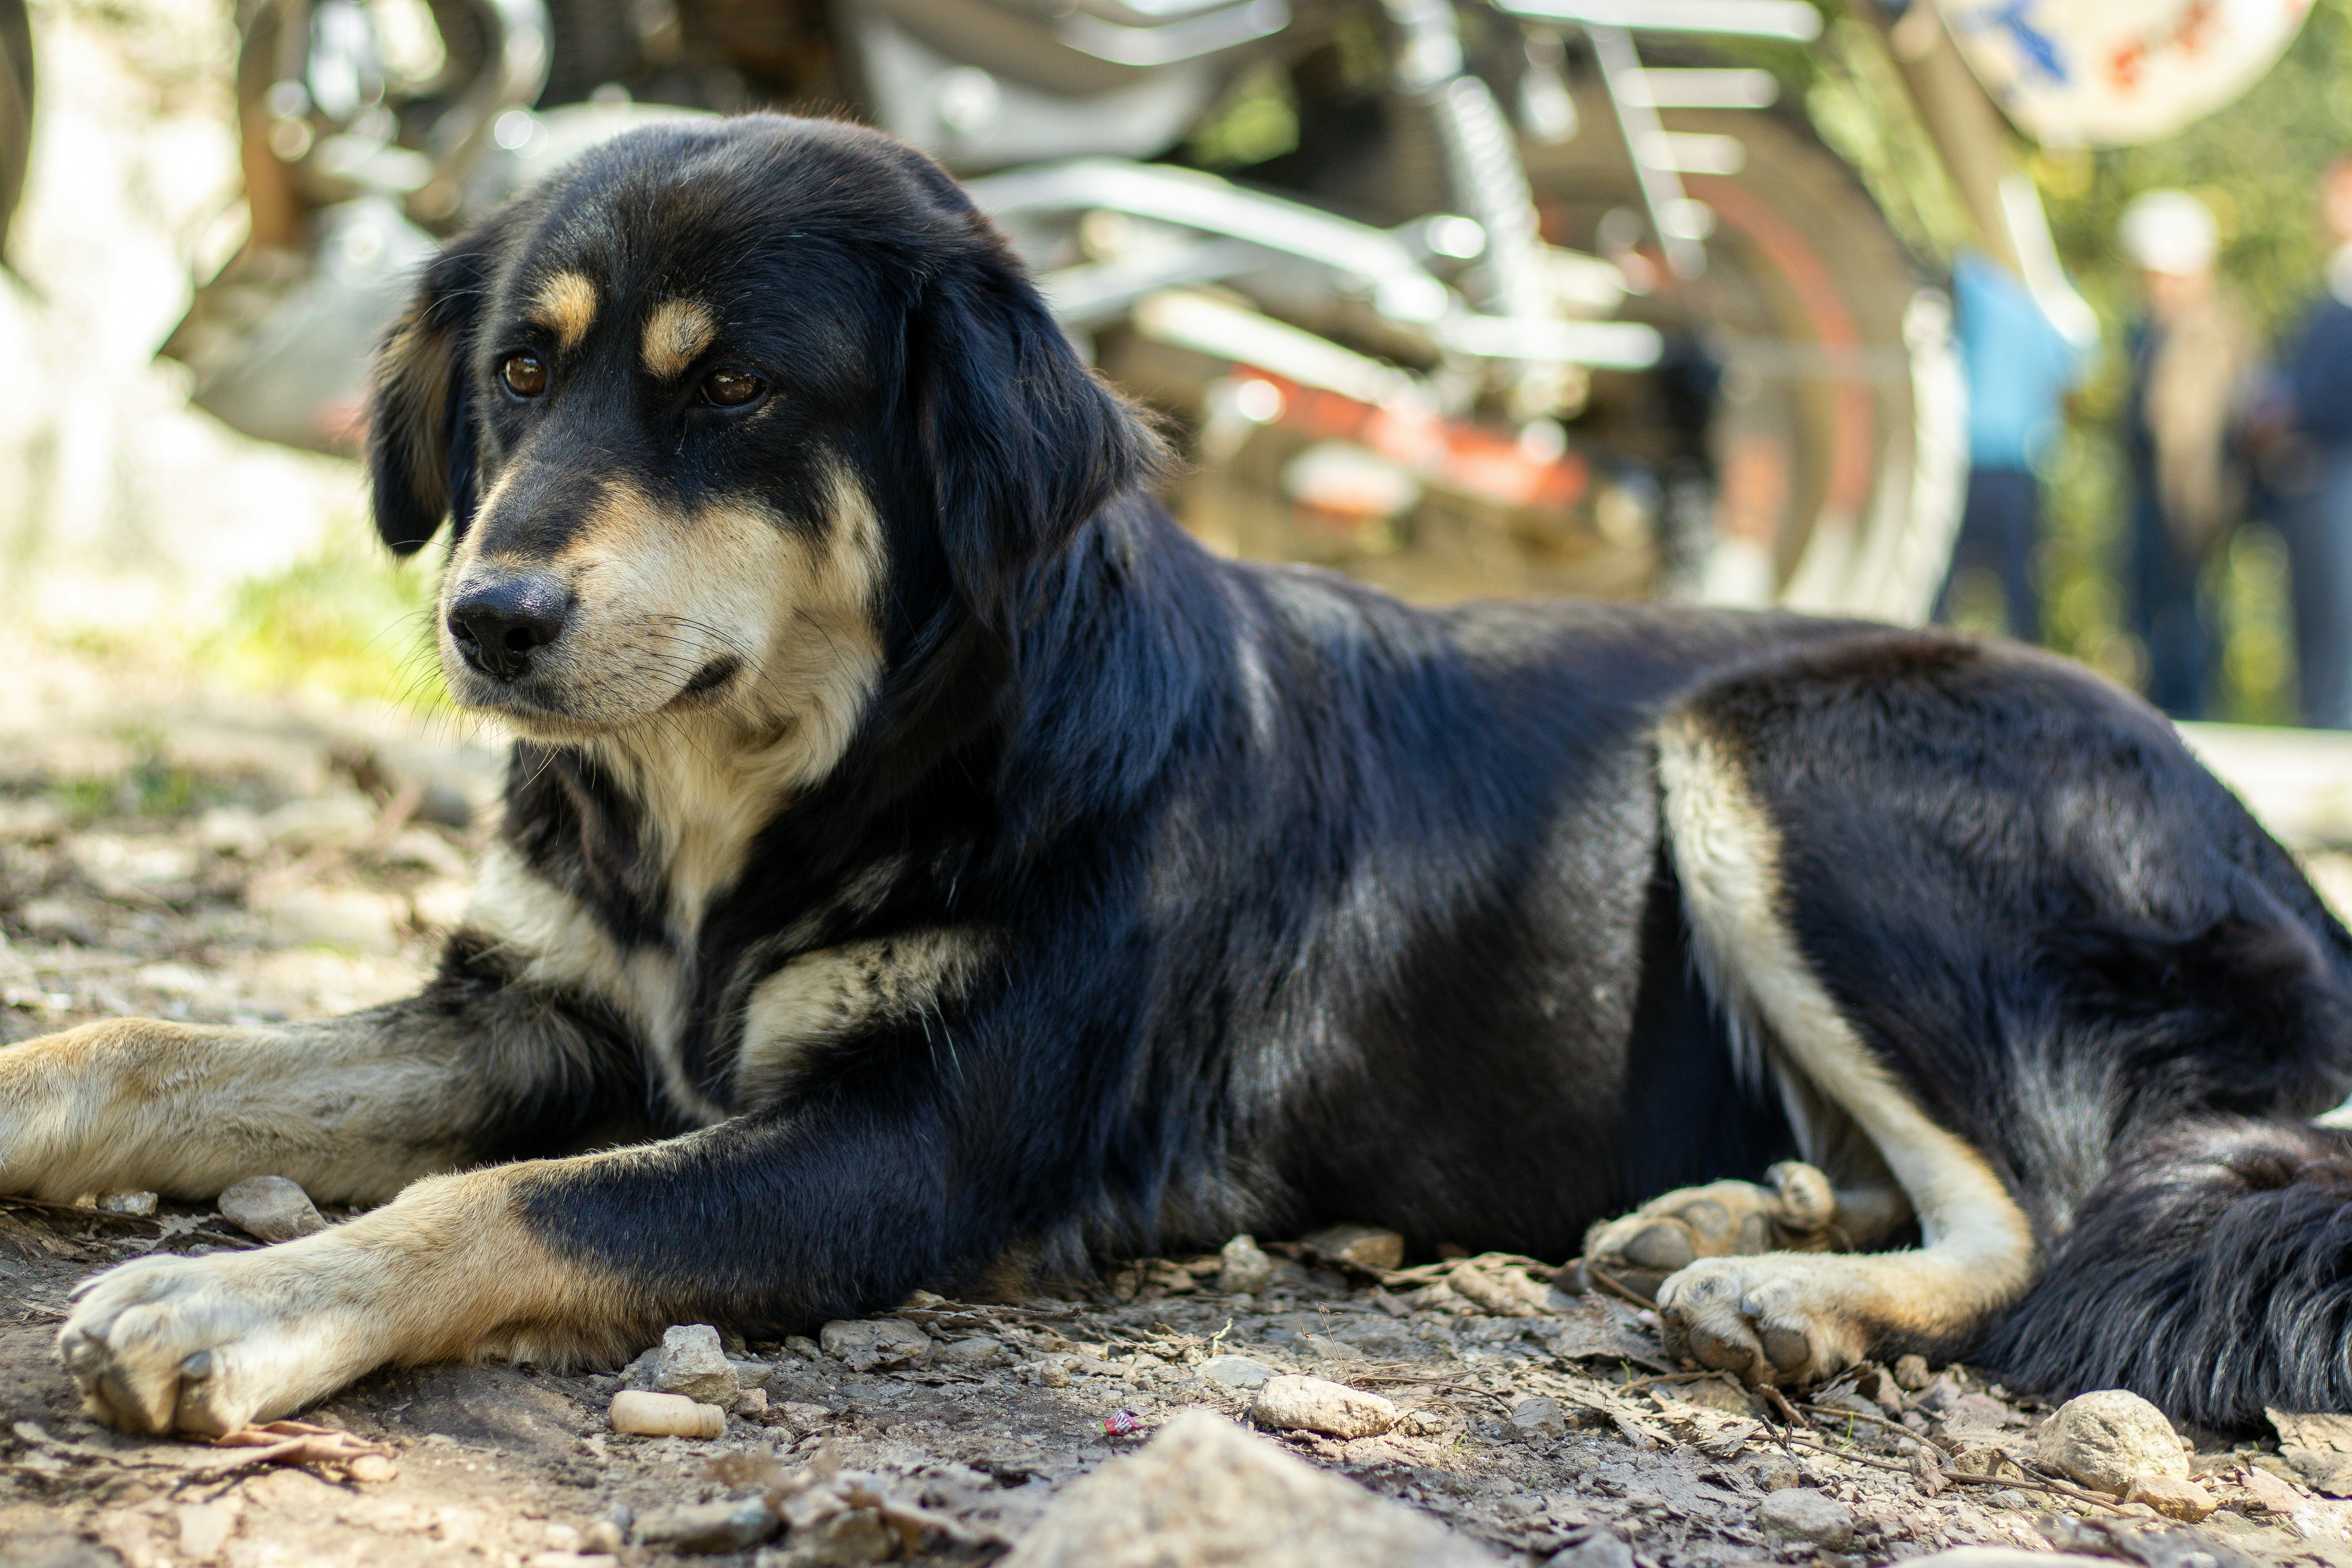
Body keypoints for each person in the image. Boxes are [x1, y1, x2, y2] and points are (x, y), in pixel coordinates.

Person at [2116, 190, 2258, 720]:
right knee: (2153, 612)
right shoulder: (2151, 330)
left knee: (2186, 619)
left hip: (2189, 499)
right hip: (2155, 492)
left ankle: (2190, 713)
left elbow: (2183, 424)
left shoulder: (2211, 327)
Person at [1935, 249, 2093, 644]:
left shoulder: (1975, 279)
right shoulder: (2052, 299)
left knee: (1948, 580)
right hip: (2005, 466)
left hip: (1978, 462)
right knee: (2017, 583)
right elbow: (2079, 365)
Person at [2274, 156, 2352, 728]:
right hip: (2319, 469)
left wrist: (2297, 412)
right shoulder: (2333, 283)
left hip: (2341, 466)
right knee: (2320, 610)